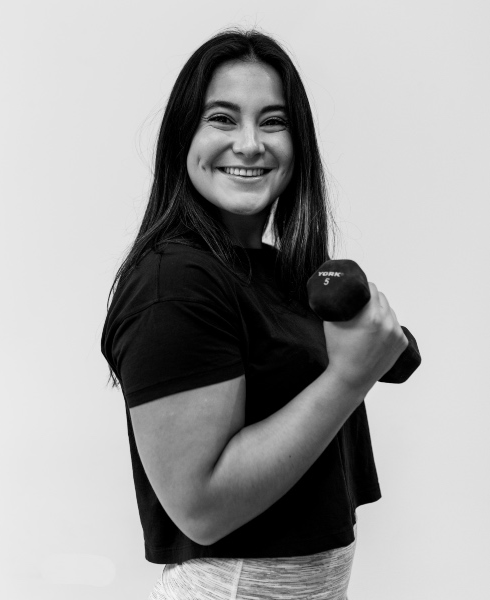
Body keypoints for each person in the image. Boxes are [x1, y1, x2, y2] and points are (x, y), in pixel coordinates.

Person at [101, 28, 408, 600]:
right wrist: (348, 376)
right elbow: (202, 508)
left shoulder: (279, 272)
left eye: (273, 122)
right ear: (183, 137)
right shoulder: (175, 282)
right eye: (222, 118)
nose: (249, 144)